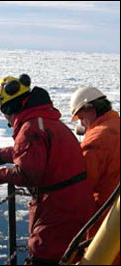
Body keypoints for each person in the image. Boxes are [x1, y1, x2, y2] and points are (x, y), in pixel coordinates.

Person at [0, 74, 95, 265]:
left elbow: (28, 173)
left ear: (9, 108)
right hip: (72, 205)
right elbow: (32, 154)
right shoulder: (46, 121)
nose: (6, 120)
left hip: (57, 211)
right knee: (66, 256)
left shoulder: (31, 128)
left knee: (44, 256)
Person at [70, 87, 120, 264]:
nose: (82, 124)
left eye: (82, 118)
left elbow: (81, 187)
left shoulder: (96, 141)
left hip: (105, 223)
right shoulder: (115, 125)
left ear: (91, 109)